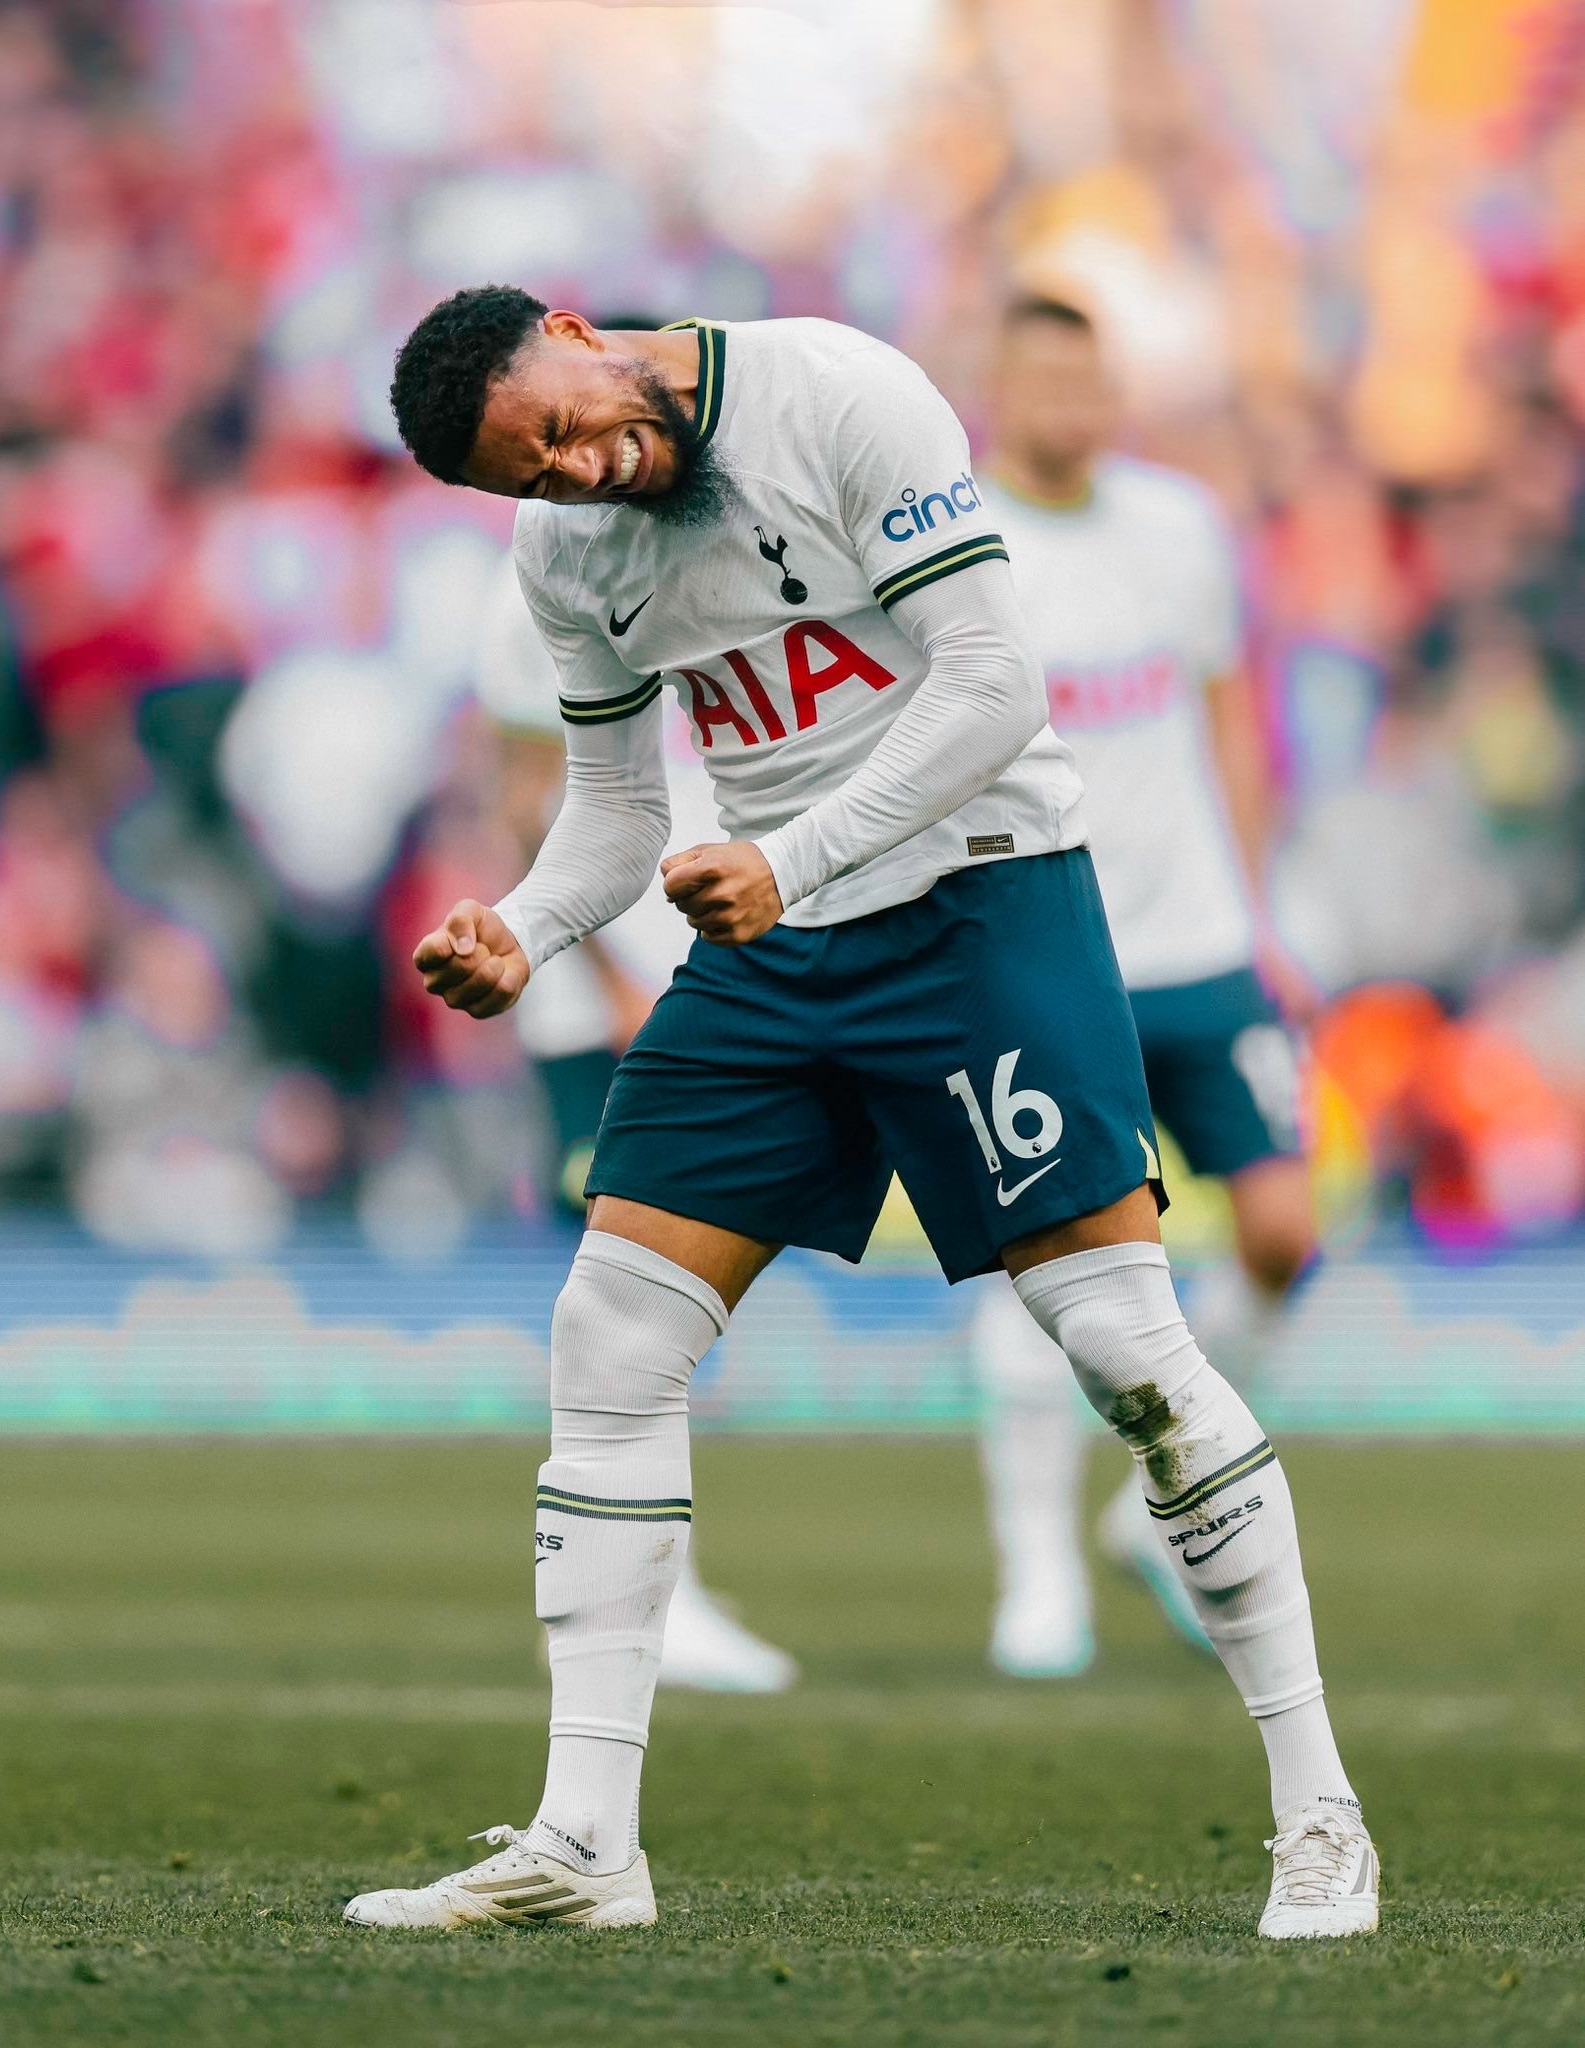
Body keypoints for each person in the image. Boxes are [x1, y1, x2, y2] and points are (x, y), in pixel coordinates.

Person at [343, 289, 1378, 1941]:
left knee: (1126, 1352)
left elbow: (985, 689)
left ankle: (1319, 1815)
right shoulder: (567, 557)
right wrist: (522, 927)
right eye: (527, 475)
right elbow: (613, 811)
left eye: (555, 423)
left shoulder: (833, 390)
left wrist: (788, 857)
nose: (574, 469)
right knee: (607, 1338)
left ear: (569, 325)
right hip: (771, 943)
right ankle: (585, 1841)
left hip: (982, 907)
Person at [970, 293, 1323, 1679]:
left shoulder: (1175, 525)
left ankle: (1143, 1512)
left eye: (1088, 370)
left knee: (1282, 1232)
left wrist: (1256, 896)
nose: (1071, 394)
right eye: (1042, 369)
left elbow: (1232, 714)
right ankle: (1034, 1577)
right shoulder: (956, 550)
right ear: (995, 388)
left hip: (1202, 946)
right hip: (1047, 958)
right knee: (1053, 1271)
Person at [479, 538, 797, 1696]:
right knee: (630, 1302)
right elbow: (527, 796)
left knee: (676, 1306)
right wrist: (616, 972)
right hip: (603, 1002)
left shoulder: (722, 556)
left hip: (714, 969)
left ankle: (661, 1585)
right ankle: (655, 1597)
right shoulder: (540, 580)